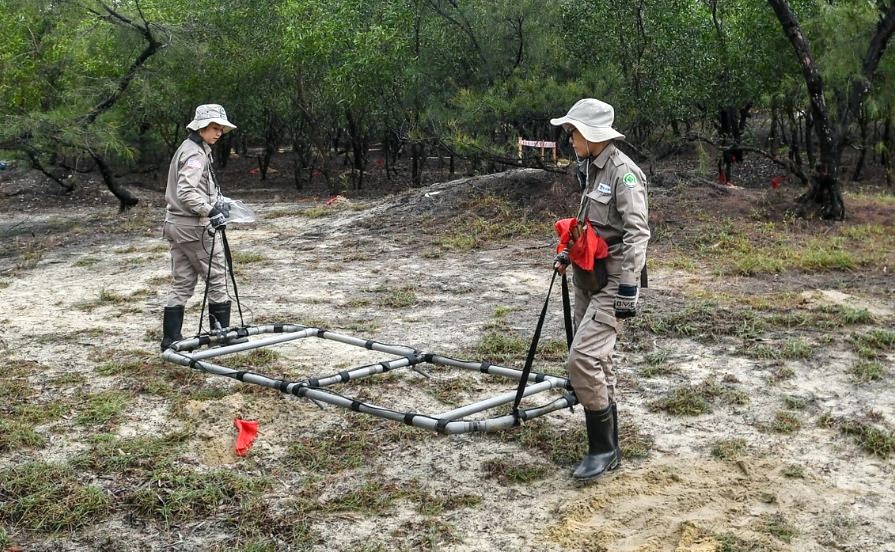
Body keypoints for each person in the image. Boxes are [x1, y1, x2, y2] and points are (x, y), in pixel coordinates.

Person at [550, 98, 650, 482]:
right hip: (588, 276)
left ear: (591, 135)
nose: (569, 139)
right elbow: (587, 220)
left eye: (572, 132)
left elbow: (637, 233)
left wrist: (628, 289)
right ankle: (609, 446)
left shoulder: (624, 174)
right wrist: (566, 250)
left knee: (584, 359)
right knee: (597, 359)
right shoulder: (591, 168)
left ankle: (603, 449)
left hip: (613, 281)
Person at [160, 104, 237, 351]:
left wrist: (217, 202)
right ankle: (221, 336)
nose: (219, 133)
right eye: (215, 128)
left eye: (221, 129)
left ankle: (171, 340)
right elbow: (186, 191)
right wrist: (210, 210)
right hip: (193, 227)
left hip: (175, 224)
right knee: (217, 277)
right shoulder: (195, 154)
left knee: (182, 282)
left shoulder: (191, 148)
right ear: (201, 127)